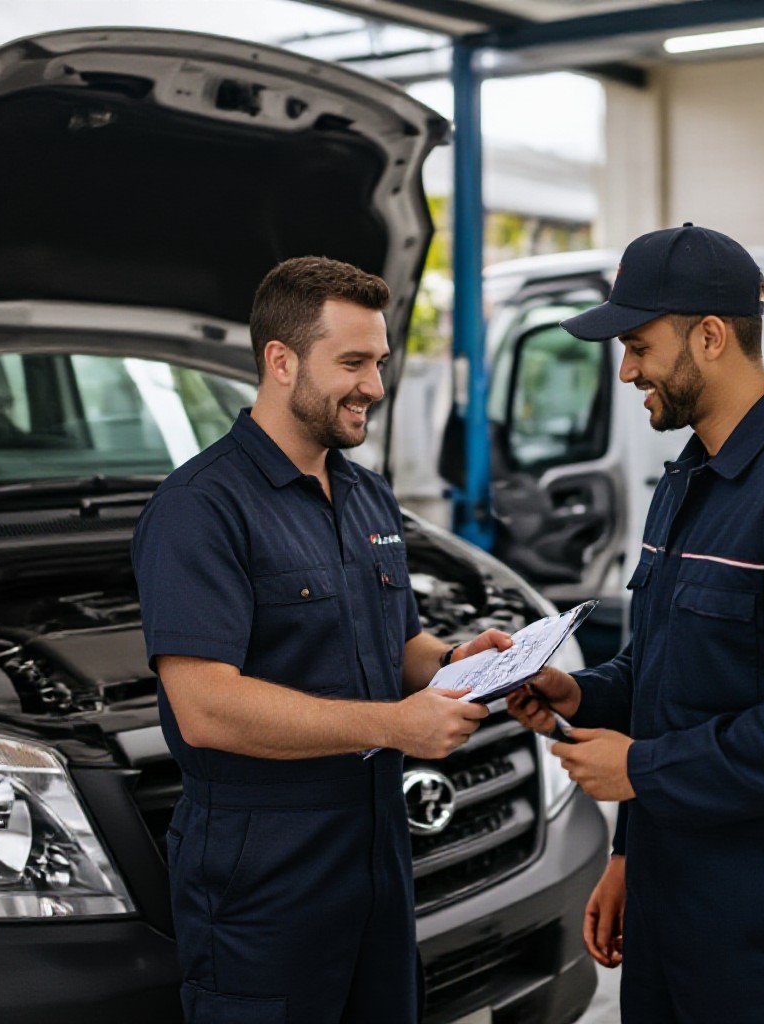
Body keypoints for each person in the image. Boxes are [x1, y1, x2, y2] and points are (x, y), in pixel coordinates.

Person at [508, 224, 764, 1023]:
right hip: (667, 895)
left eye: (639, 345)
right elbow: (667, 676)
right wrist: (578, 696)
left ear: (712, 337)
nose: (625, 370)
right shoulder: (689, 480)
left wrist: (642, 772)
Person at [132, 256, 511, 1024]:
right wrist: (394, 725)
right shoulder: (200, 510)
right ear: (280, 361)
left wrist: (449, 663)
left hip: (378, 859)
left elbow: (393, 639)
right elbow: (205, 707)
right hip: (264, 876)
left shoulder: (365, 491)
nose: (373, 384)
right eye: (353, 362)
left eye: (378, 362)